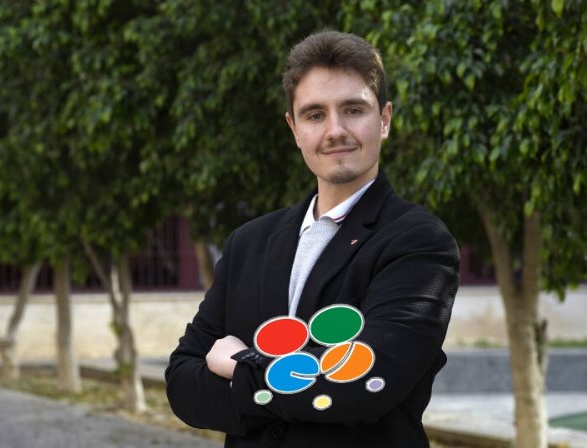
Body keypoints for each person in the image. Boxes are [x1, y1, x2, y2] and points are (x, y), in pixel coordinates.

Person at [165, 30, 459, 448]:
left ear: (385, 119)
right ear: (294, 128)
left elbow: (366, 385)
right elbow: (182, 382)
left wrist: (241, 363)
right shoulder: (248, 243)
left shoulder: (419, 243)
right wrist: (307, 382)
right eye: (315, 115)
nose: (335, 130)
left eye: (353, 109)